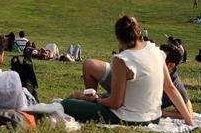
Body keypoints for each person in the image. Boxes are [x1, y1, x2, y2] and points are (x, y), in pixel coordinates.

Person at [63, 16, 193, 126]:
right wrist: (189, 121)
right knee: (80, 101)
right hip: (154, 117)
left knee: (66, 104)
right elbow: (170, 88)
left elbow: (115, 103)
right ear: (138, 32)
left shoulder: (123, 60)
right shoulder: (156, 51)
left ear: (118, 37)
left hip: (130, 119)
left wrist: (94, 100)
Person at [159, 43, 194, 120]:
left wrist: (159, 112)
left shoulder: (176, 86)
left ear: (170, 66)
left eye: (160, 60)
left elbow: (188, 113)